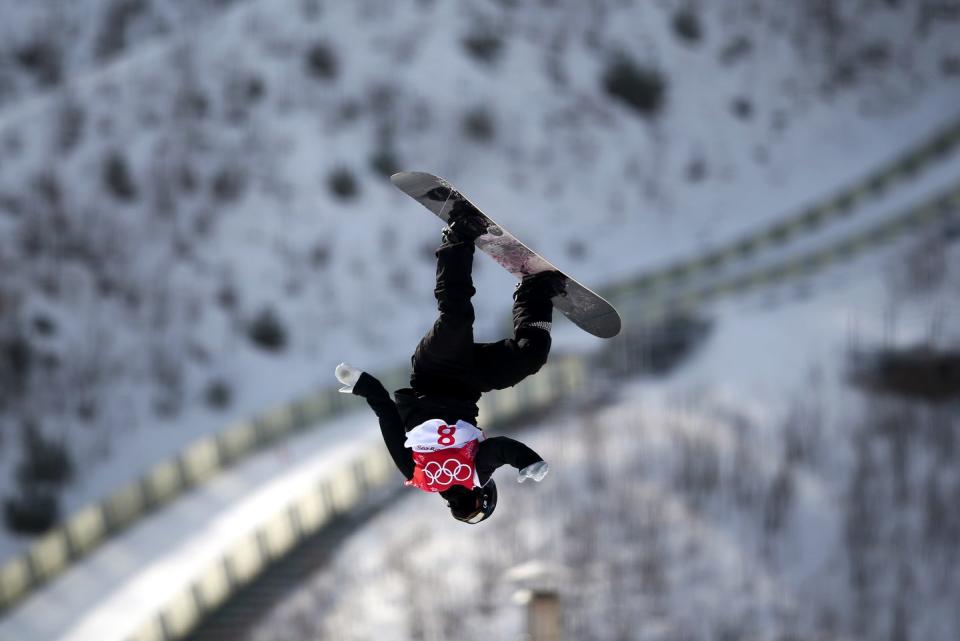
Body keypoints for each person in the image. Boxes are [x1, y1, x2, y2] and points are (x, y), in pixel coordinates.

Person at [335, 202, 566, 524]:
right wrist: (527, 461)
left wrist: (367, 386)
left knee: (456, 318)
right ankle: (535, 293)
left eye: (461, 512)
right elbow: (499, 449)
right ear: (483, 494)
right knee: (531, 356)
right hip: (470, 384)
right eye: (469, 508)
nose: (461, 505)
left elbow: (388, 421)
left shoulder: (417, 475)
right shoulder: (475, 472)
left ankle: (458, 235)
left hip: (432, 372)